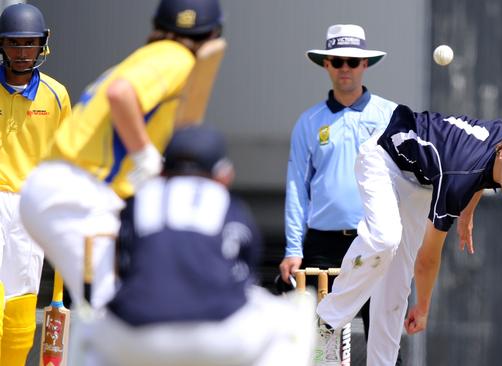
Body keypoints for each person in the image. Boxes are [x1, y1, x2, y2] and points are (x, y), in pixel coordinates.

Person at [19, 0, 223, 311]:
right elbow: (121, 94)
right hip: (77, 190)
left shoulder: (148, 56)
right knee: (118, 308)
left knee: (114, 305)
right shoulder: (176, 57)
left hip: (71, 189)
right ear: (213, 33)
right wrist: (145, 156)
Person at [316, 104, 502, 365]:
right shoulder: (458, 178)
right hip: (385, 157)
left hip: (422, 183)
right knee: (385, 240)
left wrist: (468, 211)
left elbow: (483, 173)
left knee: (397, 285)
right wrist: (423, 307)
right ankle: (325, 324)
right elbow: (428, 258)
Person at [74, 125, 315, 366]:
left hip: (134, 335)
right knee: (297, 312)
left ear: (161, 171)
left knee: (86, 326)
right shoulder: (229, 205)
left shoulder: (137, 201)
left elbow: (120, 270)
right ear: (224, 174)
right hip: (217, 335)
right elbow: (243, 275)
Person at [277, 24, 401, 364]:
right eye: (337, 60)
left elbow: (409, 181)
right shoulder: (309, 121)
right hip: (324, 246)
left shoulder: (389, 115)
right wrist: (292, 247)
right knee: (321, 344)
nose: (345, 68)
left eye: (352, 61)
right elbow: (296, 187)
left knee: (384, 339)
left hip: (376, 239)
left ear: (365, 65)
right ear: (326, 65)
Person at [0, 3, 71, 364]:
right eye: (14, 43)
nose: (23, 52)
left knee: (20, 306)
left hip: (30, 207)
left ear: (42, 44)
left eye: (29, 43)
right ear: (2, 46)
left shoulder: (56, 95)